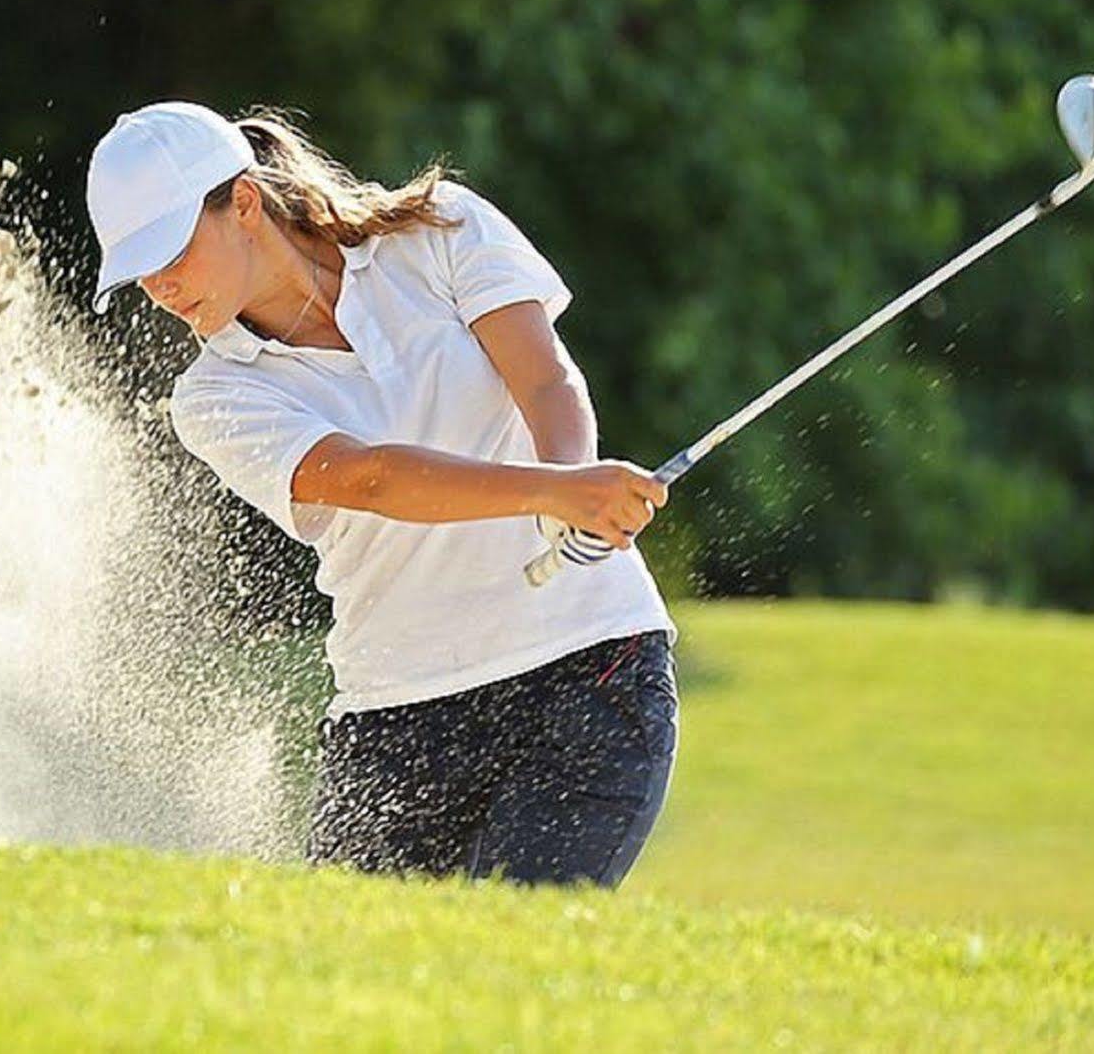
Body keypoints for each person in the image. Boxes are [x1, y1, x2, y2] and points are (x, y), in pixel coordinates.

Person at [84, 101, 678, 887]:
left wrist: (567, 487)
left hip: (586, 675)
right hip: (398, 717)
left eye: (171, 252)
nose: (159, 287)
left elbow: (543, 378)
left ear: (246, 204)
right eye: (139, 270)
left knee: (512, 958)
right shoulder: (213, 394)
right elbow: (370, 478)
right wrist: (555, 491)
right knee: (346, 987)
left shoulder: (439, 230)